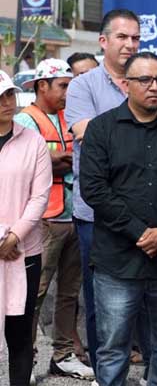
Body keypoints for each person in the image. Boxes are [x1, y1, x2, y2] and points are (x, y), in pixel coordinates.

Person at [79, 52, 157, 386]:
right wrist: (140, 232)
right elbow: (94, 190)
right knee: (112, 349)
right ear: (125, 85)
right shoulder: (102, 130)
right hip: (117, 262)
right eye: (145, 80)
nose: (154, 87)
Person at [65, 8, 143, 374]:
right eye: (122, 37)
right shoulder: (83, 86)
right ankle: (104, 373)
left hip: (147, 212)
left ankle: (142, 369)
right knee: (100, 300)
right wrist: (143, 131)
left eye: (135, 38)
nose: (130, 44)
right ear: (104, 42)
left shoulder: (150, 81)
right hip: (96, 216)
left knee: (149, 298)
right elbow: (87, 134)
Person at [16, 60, 95, 380]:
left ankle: (63, 355)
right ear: (41, 86)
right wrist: (61, 159)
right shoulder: (25, 120)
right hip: (43, 220)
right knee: (34, 294)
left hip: (74, 214)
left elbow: (79, 158)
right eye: (63, 85)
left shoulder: (70, 116)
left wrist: (59, 161)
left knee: (69, 293)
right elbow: (34, 165)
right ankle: (28, 356)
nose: (68, 91)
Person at [0, 70, 51, 385]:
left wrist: (14, 235)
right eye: (0, 97)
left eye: (9, 94)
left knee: (19, 335)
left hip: (23, 250)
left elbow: (40, 196)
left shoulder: (33, 141)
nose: (7, 102)